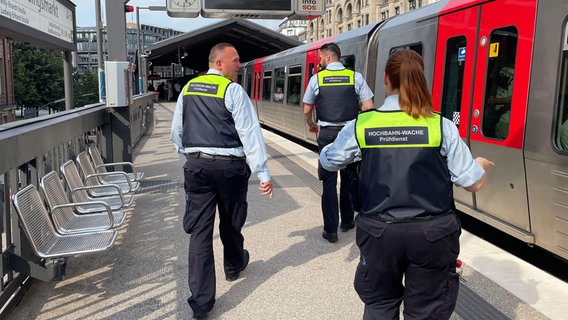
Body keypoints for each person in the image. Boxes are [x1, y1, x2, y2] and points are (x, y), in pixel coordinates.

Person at [319, 49, 494, 319]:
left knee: (379, 305)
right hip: (432, 236)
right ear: (420, 79)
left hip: (379, 234)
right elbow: (472, 183)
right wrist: (480, 165)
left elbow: (330, 161)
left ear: (386, 79)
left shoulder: (363, 124)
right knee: (427, 310)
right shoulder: (441, 126)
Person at [170, 43, 273, 319]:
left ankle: (202, 303)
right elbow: (250, 134)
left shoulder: (189, 89)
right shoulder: (233, 91)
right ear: (219, 64)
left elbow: (176, 131)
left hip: (197, 168)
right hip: (230, 169)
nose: (239, 65)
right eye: (235, 60)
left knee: (200, 233)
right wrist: (263, 173)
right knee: (231, 221)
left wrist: (193, 155)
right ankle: (233, 266)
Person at [303, 42, 374, 243]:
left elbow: (307, 108)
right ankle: (348, 221)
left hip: (327, 134)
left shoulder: (317, 79)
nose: (319, 61)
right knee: (350, 178)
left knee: (329, 181)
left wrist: (312, 124)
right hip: (349, 134)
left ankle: (331, 230)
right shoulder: (355, 77)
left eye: (320, 58)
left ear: (327, 58)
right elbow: (369, 107)